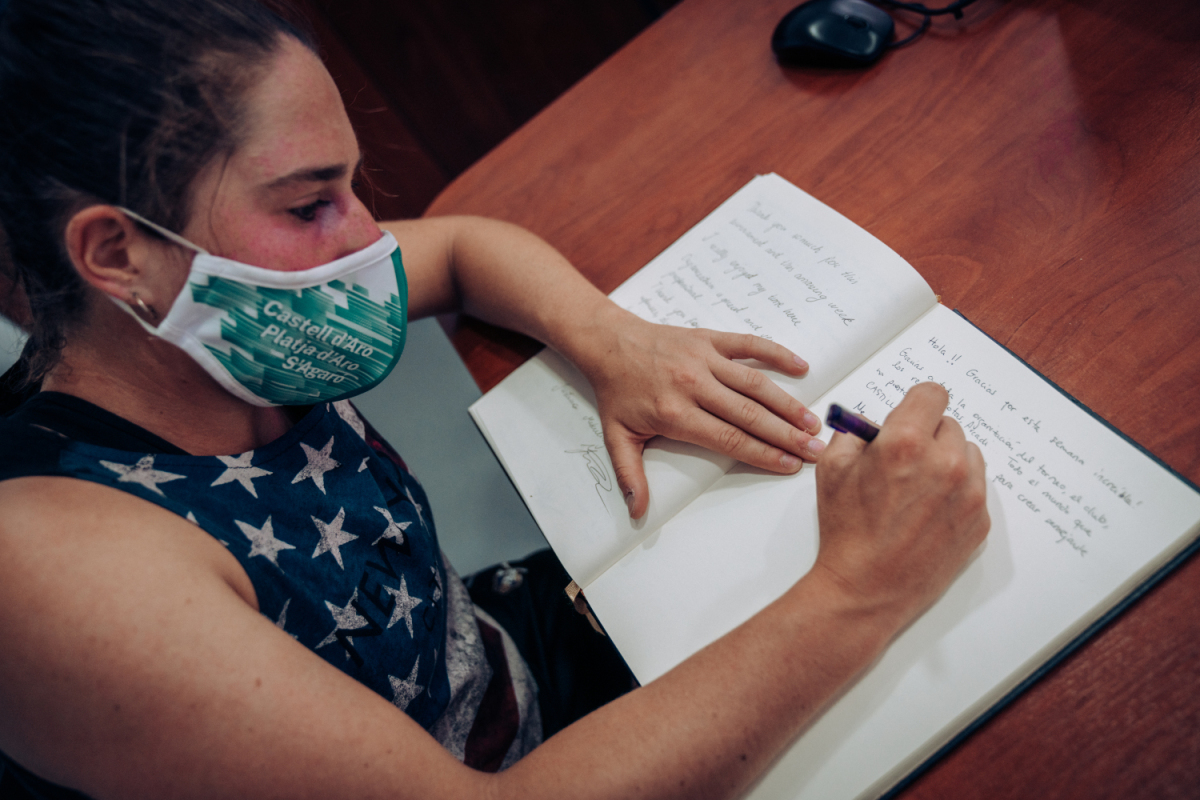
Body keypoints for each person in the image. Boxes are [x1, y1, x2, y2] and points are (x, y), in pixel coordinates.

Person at [0, 1, 990, 797]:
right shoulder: (53, 578)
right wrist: (858, 591)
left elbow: (466, 248)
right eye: (308, 204)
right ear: (116, 251)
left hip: (503, 667)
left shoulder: (212, 319)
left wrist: (616, 341)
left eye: (353, 185)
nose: (367, 240)